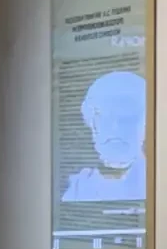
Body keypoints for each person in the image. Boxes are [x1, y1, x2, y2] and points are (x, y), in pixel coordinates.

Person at [61, 68, 147, 201]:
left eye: (126, 117)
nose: (115, 127)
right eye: (105, 117)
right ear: (91, 122)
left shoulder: (156, 182)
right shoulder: (78, 188)